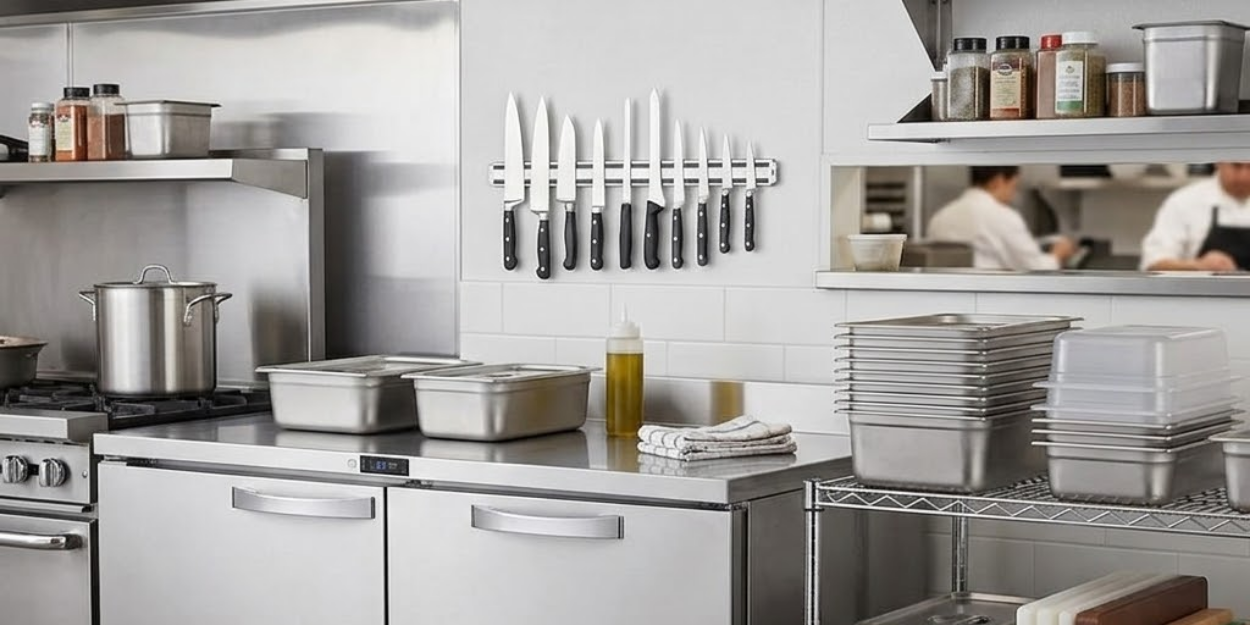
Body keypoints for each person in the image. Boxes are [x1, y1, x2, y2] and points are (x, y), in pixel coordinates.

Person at [928, 166, 1076, 270]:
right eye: (1013, 186)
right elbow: (1034, 268)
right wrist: (1058, 254)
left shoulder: (941, 216)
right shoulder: (1002, 216)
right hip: (991, 301)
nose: (1013, 194)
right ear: (998, 181)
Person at [1141, 162, 1250, 272]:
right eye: (1236, 166)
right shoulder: (1184, 201)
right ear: (1219, 163)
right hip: (1200, 288)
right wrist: (1199, 265)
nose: (1244, 176)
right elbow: (1153, 263)